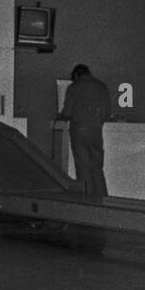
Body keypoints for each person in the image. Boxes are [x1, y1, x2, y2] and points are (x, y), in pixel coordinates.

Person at [59, 64, 111, 198]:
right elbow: (107, 113)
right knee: (97, 168)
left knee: (83, 168)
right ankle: (102, 199)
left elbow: (67, 112)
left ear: (76, 75)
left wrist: (60, 116)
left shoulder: (74, 88)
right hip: (96, 131)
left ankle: (86, 201)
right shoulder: (101, 86)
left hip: (79, 131)